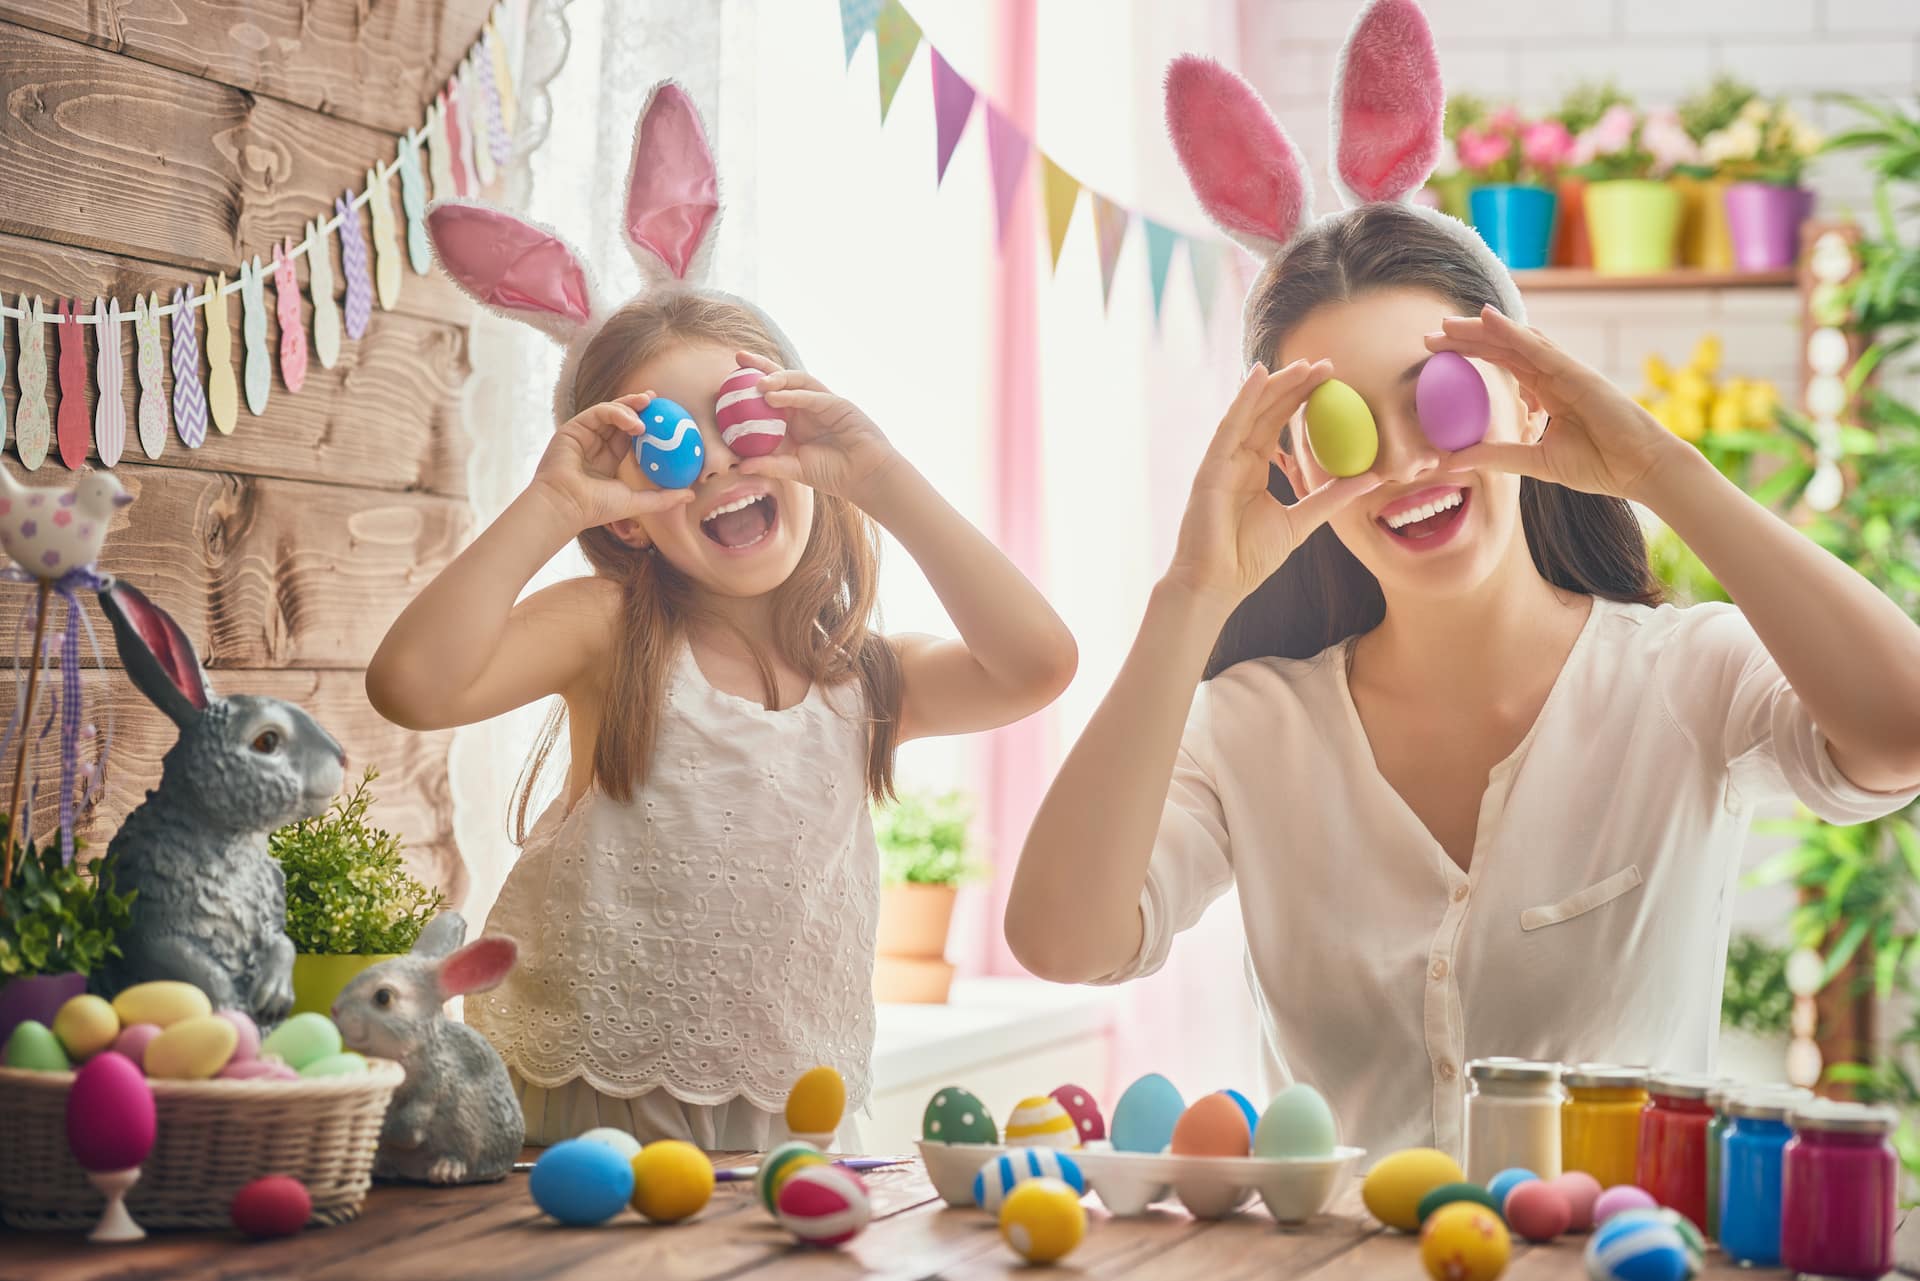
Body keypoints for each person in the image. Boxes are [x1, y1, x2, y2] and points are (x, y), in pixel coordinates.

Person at [1006, 27, 1920, 1161]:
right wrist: (1192, 592)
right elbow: (1062, 939)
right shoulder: (1252, 728)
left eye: (1438, 398)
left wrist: (1662, 474)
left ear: (1530, 397)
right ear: (1290, 468)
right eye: (1342, 427)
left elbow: (1902, 736)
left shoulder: (1687, 675)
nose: (1403, 464)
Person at [369, 84, 1075, 1149]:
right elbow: (410, 687)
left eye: (743, 423)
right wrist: (551, 504)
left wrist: (878, 473)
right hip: (584, 1120)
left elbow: (1038, 663)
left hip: (785, 1138)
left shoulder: (865, 681)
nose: (718, 467)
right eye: (675, 446)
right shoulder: (610, 629)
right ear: (637, 519)